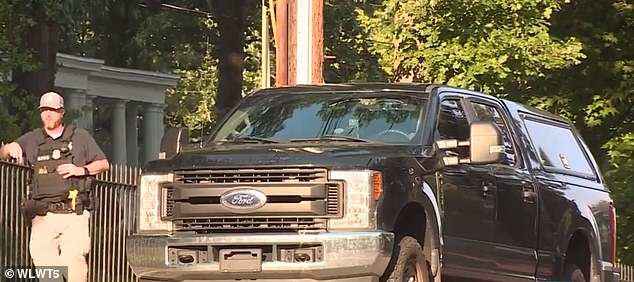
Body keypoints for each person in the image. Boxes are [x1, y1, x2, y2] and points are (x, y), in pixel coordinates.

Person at [0, 91, 109, 282]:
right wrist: (10, 148)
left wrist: (80, 170)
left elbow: (103, 164)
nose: (48, 114)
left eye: (53, 109)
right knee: (45, 266)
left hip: (74, 213)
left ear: (62, 112)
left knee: (72, 260)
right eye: (44, 110)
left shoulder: (80, 137)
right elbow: (3, 153)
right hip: (44, 215)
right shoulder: (33, 138)